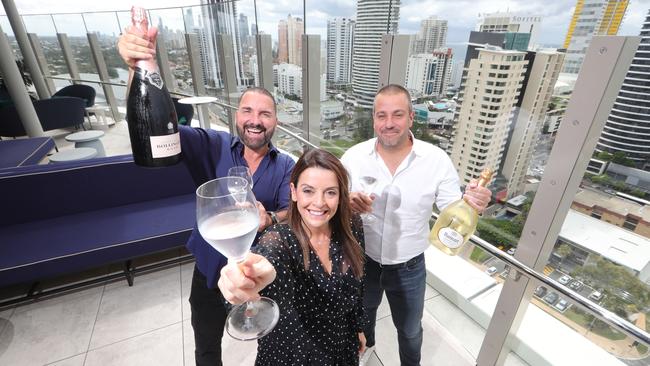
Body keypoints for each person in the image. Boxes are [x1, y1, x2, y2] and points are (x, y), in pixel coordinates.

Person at [118, 26, 295, 366]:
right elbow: (156, 128)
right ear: (236, 116)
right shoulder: (211, 145)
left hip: (259, 278)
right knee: (207, 350)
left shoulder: (286, 165)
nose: (255, 121)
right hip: (210, 275)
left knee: (271, 347)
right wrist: (135, 66)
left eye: (265, 114)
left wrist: (271, 218)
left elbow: (293, 211)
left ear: (275, 121)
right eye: (247, 111)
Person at [341, 84, 492, 366]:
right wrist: (346, 204)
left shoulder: (436, 160)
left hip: (409, 265)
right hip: (363, 259)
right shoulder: (353, 157)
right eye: (381, 115)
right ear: (373, 119)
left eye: (397, 115)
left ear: (411, 117)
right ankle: (367, 351)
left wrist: (474, 203)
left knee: (410, 331)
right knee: (363, 316)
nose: (388, 124)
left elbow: (454, 209)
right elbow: (333, 200)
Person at [218, 149, 367, 365]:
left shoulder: (352, 224)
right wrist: (243, 285)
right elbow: (265, 268)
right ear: (294, 192)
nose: (319, 202)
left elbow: (359, 285)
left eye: (330, 192)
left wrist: (358, 327)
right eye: (308, 191)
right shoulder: (278, 241)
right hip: (293, 355)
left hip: (342, 346)